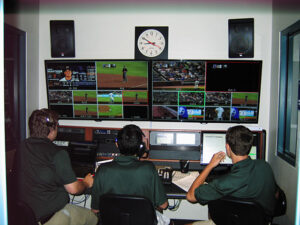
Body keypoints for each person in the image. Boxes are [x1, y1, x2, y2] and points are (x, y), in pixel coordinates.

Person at [15, 108, 98, 225]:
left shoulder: (22, 146)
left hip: (26, 216)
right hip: (51, 216)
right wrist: (86, 183)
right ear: (52, 128)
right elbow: (74, 189)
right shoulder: (58, 153)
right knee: (94, 218)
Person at [186, 125, 277, 225]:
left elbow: (191, 196)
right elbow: (275, 193)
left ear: (227, 147)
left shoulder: (223, 184)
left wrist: (210, 165)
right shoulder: (265, 166)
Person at [91, 124, 170, 224]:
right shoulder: (148, 169)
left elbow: (95, 210)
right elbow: (164, 205)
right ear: (140, 146)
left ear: (117, 144)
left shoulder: (102, 170)